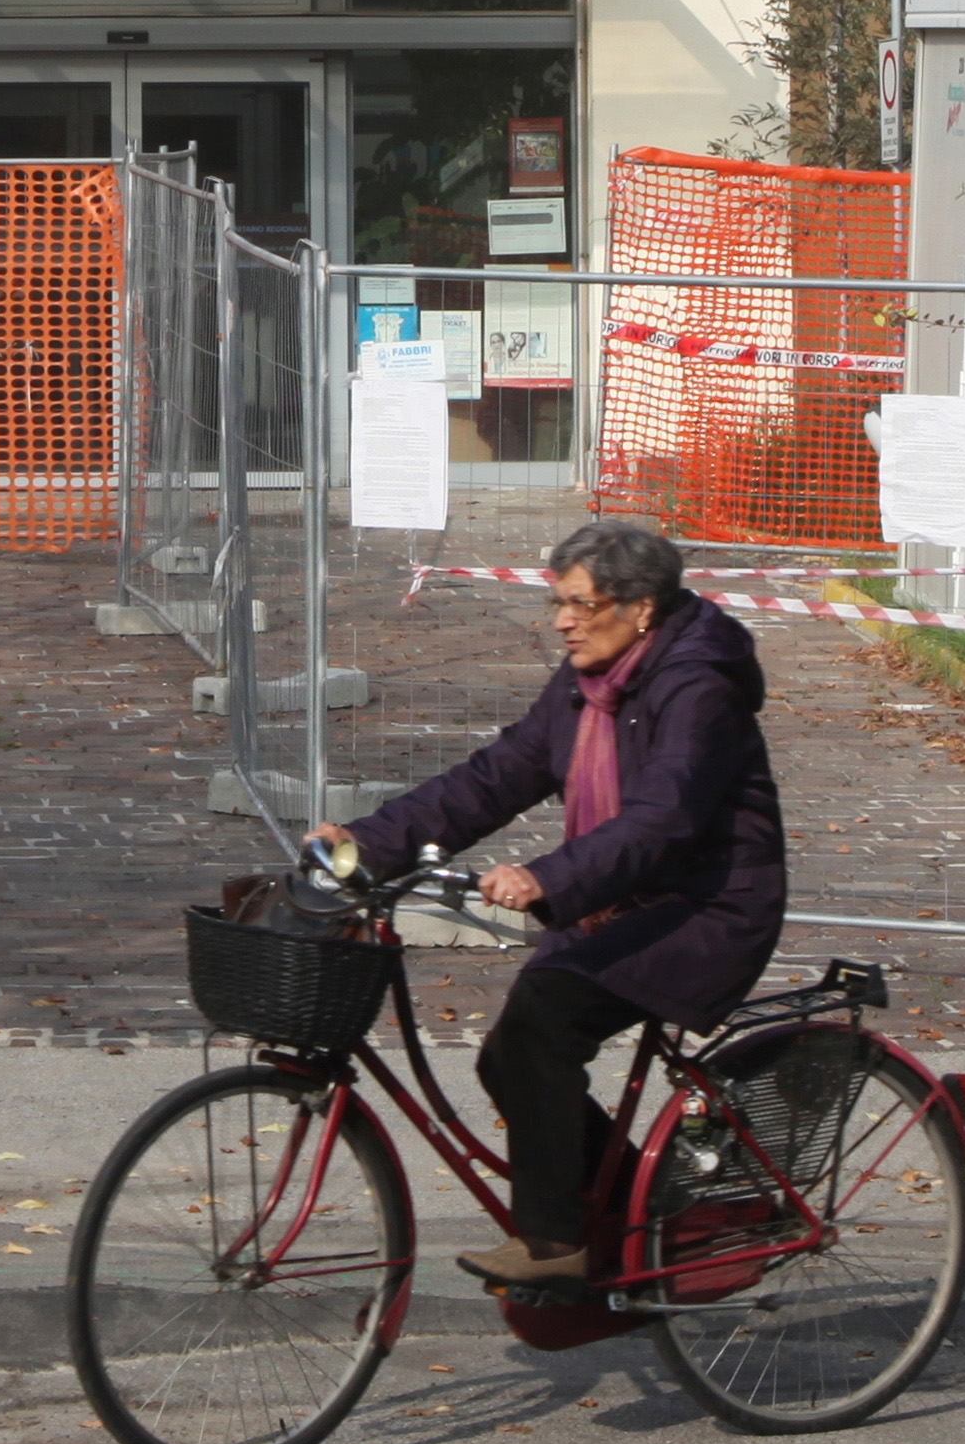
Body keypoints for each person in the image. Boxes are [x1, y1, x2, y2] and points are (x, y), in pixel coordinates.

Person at [307, 512, 786, 1291]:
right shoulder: (585, 683)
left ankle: (557, 1242)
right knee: (510, 1057)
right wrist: (368, 843)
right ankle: (642, 1218)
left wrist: (550, 879)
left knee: (541, 1023)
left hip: (709, 906)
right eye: (556, 603)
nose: (562, 621)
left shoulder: (698, 685)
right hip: (621, 894)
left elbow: (665, 816)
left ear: (642, 609)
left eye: (580, 604)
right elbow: (494, 779)